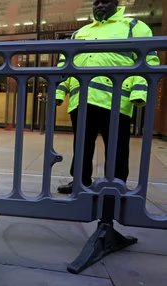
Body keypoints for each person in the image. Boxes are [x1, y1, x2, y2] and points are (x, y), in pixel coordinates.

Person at [55, 0, 160, 194]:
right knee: (82, 145)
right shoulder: (80, 32)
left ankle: (116, 184)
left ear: (117, 3)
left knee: (117, 146)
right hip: (82, 99)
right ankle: (80, 181)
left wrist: (138, 93)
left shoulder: (134, 27)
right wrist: (59, 92)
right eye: (96, 2)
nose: (100, 5)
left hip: (116, 99)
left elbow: (148, 60)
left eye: (106, 1)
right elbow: (65, 63)